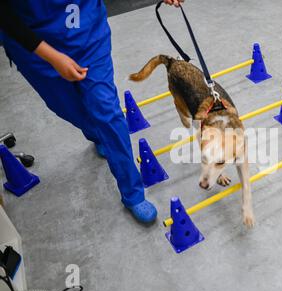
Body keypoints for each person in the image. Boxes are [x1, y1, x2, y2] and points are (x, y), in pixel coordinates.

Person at [0, 0, 185, 224]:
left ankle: (133, 194)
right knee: (69, 109)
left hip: (87, 34)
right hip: (34, 46)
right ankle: (97, 135)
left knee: (107, 112)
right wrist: (53, 57)